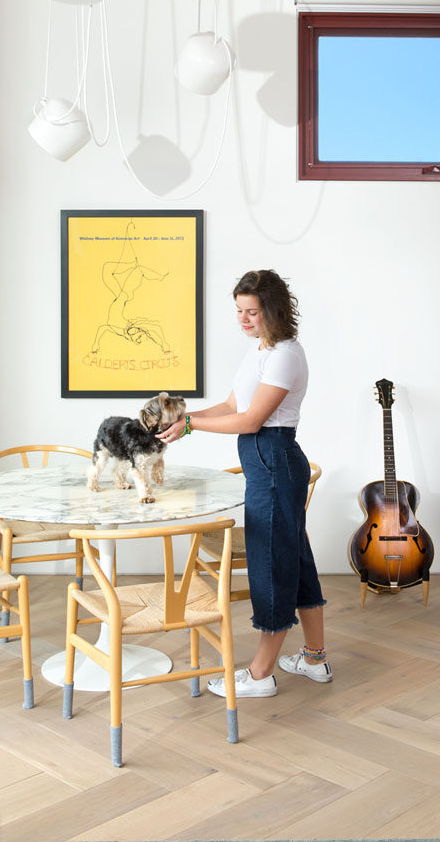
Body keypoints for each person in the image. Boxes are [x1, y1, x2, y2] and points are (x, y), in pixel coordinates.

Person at [157, 268, 330, 697]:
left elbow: (252, 420)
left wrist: (193, 426)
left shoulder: (286, 354)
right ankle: (314, 659)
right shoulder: (259, 352)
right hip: (266, 465)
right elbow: (234, 404)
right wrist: (185, 419)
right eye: (238, 311)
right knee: (298, 559)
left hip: (274, 461)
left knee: (271, 563)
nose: (243, 319)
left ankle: (260, 673)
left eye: (251, 311)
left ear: (272, 309)